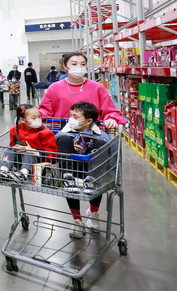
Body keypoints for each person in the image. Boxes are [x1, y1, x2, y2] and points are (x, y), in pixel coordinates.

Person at [39, 52, 125, 238]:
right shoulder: (54, 89)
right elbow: (44, 111)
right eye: (74, 63)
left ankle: (93, 211)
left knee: (94, 175)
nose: (79, 66)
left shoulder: (97, 88)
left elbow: (112, 111)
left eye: (83, 63)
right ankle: (76, 220)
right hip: (65, 139)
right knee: (70, 178)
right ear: (65, 67)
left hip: (93, 137)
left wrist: (110, 119)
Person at [55, 102, 112, 239]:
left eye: (75, 117)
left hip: (91, 170)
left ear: (89, 121)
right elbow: (54, 145)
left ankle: (93, 212)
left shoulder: (100, 135)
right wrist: (71, 145)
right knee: (63, 140)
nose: (71, 119)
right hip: (71, 168)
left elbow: (111, 154)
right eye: (70, 115)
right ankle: (77, 220)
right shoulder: (64, 132)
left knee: (102, 146)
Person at [0, 104, 57, 183]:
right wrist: (16, 148)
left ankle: (23, 174)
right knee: (10, 150)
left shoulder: (46, 133)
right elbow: (12, 145)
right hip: (20, 162)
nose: (38, 119)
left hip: (38, 164)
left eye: (39, 117)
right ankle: (3, 170)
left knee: (28, 153)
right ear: (23, 120)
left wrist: (34, 151)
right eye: (34, 118)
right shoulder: (15, 130)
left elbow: (53, 154)